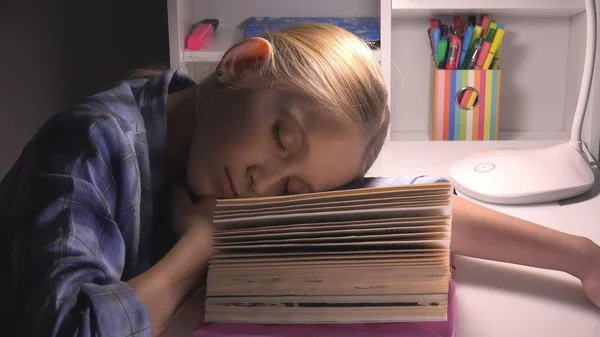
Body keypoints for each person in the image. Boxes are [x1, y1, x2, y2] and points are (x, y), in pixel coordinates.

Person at [0, 23, 598, 337]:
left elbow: (405, 204)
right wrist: (198, 251)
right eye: (283, 138)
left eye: (294, 194)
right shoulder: (85, 148)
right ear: (242, 64)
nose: (264, 184)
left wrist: (581, 256)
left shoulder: (229, 163)